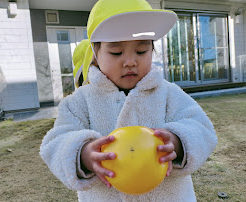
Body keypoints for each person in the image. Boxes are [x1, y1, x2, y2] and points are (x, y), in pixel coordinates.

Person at [40, 0, 217, 201]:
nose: (130, 61)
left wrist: (177, 141)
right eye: (116, 52)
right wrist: (83, 154)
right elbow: (55, 143)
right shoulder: (80, 101)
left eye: (141, 51)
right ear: (95, 55)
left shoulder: (168, 93)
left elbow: (202, 128)